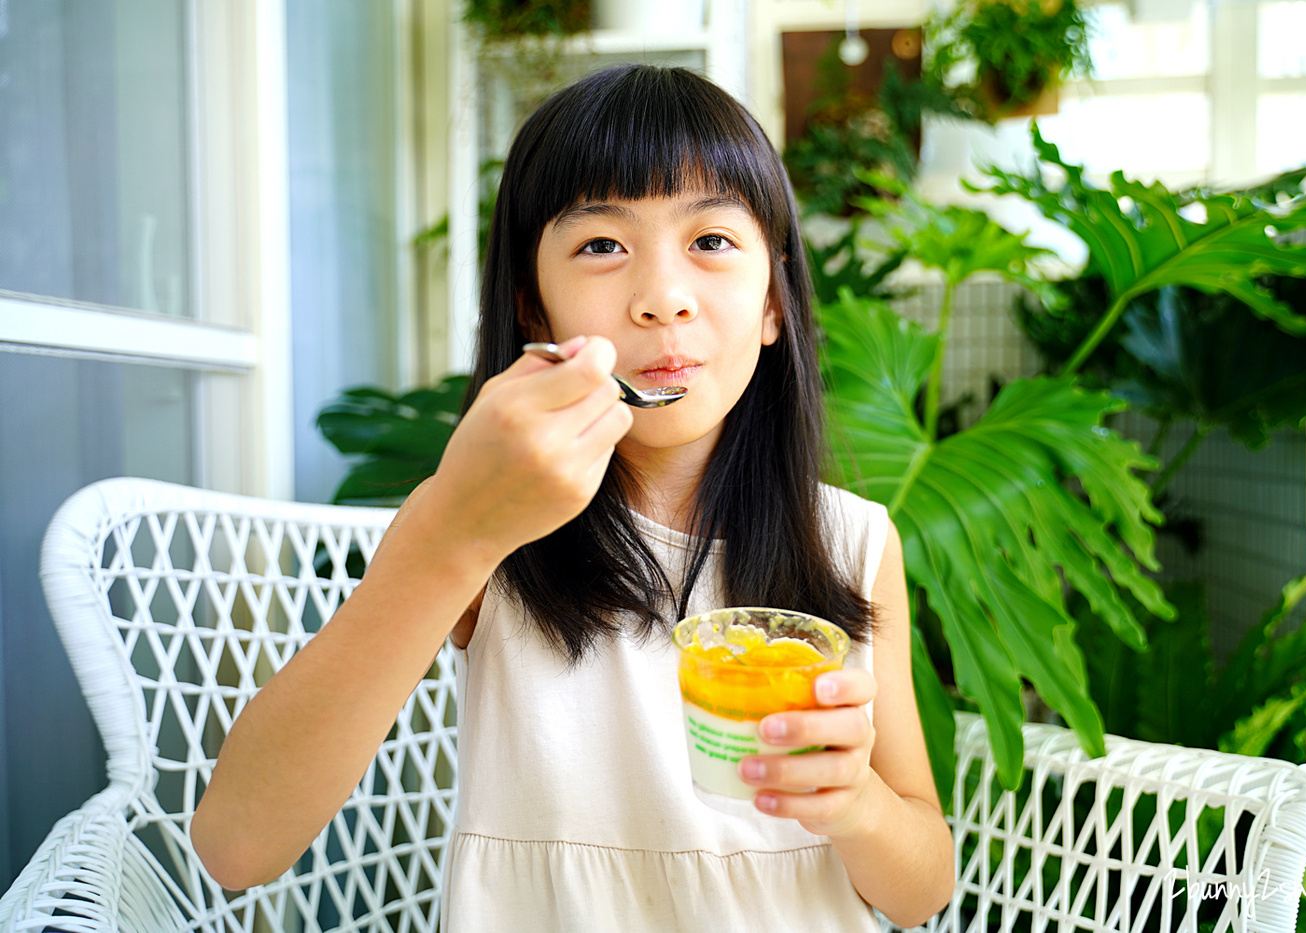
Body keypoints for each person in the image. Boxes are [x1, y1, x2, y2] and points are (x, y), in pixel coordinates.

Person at [191, 64, 954, 931]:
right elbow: (236, 844)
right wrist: (454, 528)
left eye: (711, 241)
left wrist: (852, 802)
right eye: (601, 245)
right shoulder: (481, 528)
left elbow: (923, 888)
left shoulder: (851, 539)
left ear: (774, 302)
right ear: (535, 309)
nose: (662, 298)